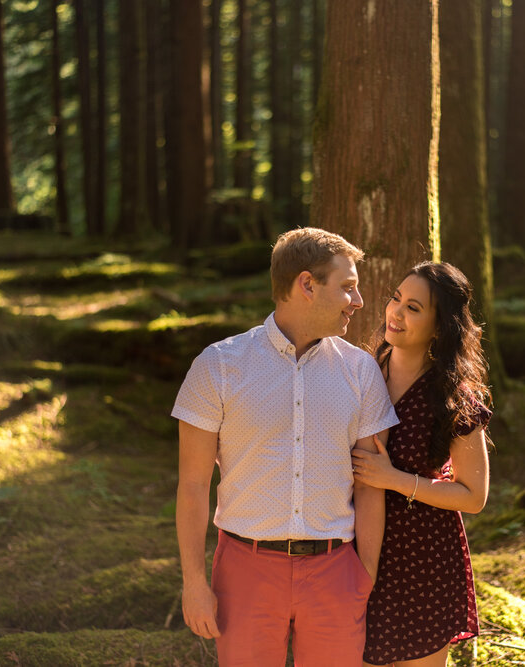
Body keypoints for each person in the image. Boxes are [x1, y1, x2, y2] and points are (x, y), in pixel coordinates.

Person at [172, 227, 400, 667]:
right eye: (348, 288)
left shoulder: (361, 371)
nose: (359, 302)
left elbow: (371, 484)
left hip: (335, 571)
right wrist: (194, 583)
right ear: (307, 285)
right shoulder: (218, 366)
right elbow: (194, 484)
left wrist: (364, 577)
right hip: (244, 569)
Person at [351, 261, 492, 667]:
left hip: (425, 560)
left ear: (439, 326)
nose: (396, 312)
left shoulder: (452, 398)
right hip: (356, 555)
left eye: (414, 308)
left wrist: (396, 480)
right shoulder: (360, 374)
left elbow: (474, 497)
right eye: (396, 299)